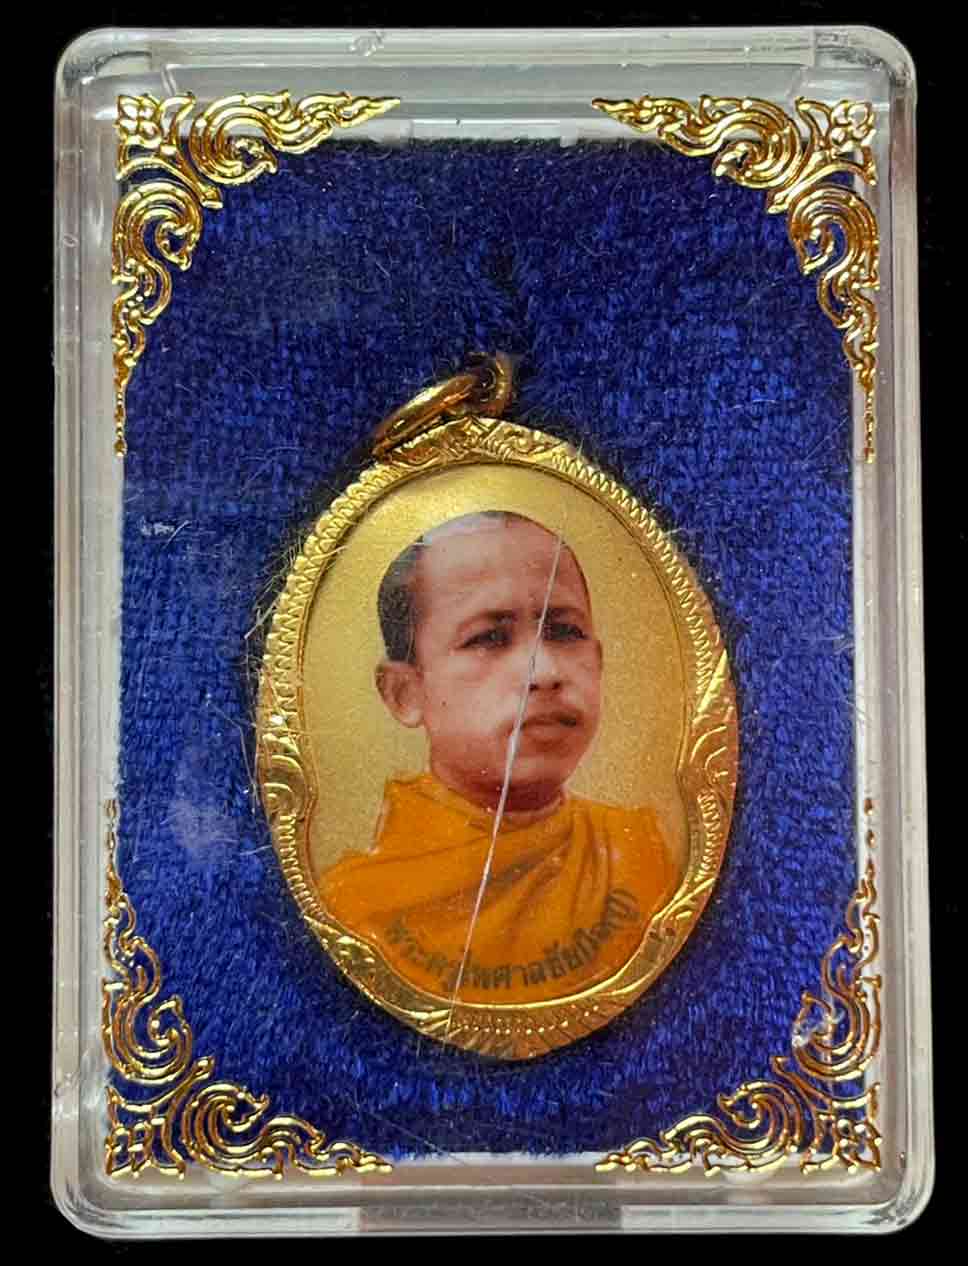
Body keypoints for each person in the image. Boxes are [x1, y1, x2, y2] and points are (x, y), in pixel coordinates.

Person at [317, 511, 679, 1005]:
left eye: (565, 631)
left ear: (598, 661)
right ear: (405, 692)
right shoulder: (355, 908)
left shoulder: (643, 861)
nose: (544, 672)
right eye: (489, 638)